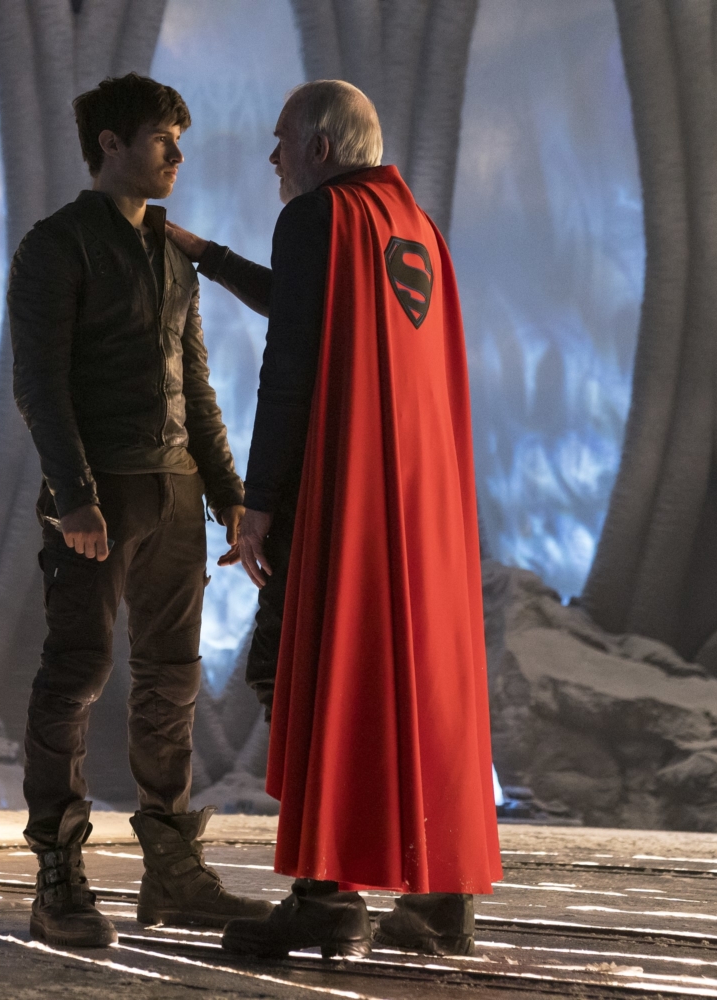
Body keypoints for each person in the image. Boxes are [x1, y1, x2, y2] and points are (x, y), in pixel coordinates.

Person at [167, 80, 502, 959]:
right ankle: (440, 896)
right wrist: (208, 255)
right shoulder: (411, 227)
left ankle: (326, 893)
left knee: (296, 667)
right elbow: (307, 302)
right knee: (416, 681)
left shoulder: (316, 217)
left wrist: (257, 507)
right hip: (419, 506)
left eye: (281, 139)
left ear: (319, 148)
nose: (272, 157)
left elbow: (290, 367)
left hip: (345, 500)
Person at [8, 72, 272, 948]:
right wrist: (75, 497)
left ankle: (173, 874)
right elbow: (40, 385)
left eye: (179, 139)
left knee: (172, 680)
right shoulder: (56, 245)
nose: (177, 155)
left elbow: (195, 385)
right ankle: (58, 875)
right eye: (164, 138)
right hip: (102, 498)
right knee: (77, 673)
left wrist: (231, 496)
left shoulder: (171, 252)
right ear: (111, 144)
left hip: (176, 494)